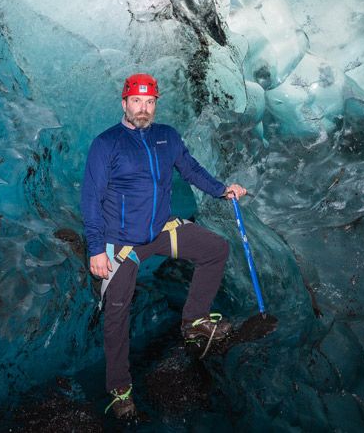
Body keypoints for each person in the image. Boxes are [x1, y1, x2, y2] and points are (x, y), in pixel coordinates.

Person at [81, 73, 248, 419]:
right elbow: (91, 199)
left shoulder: (166, 137)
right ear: (124, 103)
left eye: (150, 102)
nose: (143, 109)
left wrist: (221, 189)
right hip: (121, 244)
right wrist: (96, 248)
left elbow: (191, 170)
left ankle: (194, 322)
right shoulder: (106, 144)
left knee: (215, 250)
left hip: (159, 232)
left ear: (156, 104)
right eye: (137, 101)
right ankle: (120, 389)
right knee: (117, 316)